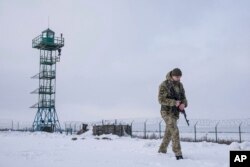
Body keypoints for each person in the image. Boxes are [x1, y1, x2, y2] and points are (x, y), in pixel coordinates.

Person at [158, 68, 188, 160]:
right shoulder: (164, 85)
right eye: (177, 77)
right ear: (172, 75)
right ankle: (178, 154)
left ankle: (161, 151)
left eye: (180, 77)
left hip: (175, 113)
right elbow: (161, 100)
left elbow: (184, 98)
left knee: (169, 132)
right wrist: (174, 102)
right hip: (166, 112)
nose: (178, 78)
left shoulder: (180, 85)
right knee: (174, 130)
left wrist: (184, 104)